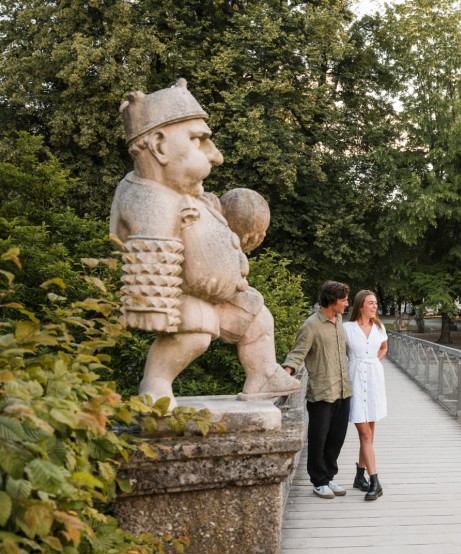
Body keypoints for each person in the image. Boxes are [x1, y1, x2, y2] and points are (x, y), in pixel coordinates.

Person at [109, 79, 300, 409]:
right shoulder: (145, 197)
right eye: (199, 141)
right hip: (183, 297)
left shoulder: (187, 194)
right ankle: (156, 384)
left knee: (257, 316)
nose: (216, 156)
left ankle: (263, 374)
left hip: (219, 294)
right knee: (195, 333)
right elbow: (149, 269)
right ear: (158, 145)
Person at [282, 281, 353, 499]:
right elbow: (297, 354)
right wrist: (283, 377)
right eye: (344, 300)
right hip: (322, 390)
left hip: (343, 390)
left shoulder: (339, 320)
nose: (347, 304)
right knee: (319, 438)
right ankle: (318, 481)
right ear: (332, 301)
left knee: (337, 437)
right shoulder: (311, 325)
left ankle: (330, 476)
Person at [345, 290, 388, 501]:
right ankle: (375, 481)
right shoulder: (347, 329)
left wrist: (375, 361)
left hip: (373, 381)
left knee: (369, 434)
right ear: (360, 305)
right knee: (365, 434)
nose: (374, 307)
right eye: (370, 303)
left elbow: (384, 347)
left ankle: (359, 476)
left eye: (376, 303)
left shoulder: (379, 327)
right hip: (354, 380)